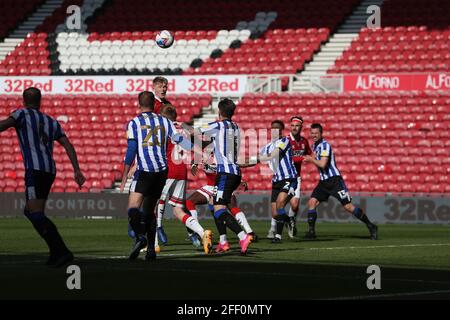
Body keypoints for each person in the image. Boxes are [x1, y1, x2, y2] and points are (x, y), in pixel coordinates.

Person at [0, 87, 85, 267]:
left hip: (34, 169)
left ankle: (61, 251)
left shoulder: (21, 114)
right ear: (40, 101)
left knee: (35, 213)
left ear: (23, 100)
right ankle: (56, 252)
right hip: (49, 170)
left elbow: (4, 125)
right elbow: (67, 144)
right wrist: (76, 170)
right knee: (31, 211)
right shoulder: (51, 121)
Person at [119, 91, 196, 261]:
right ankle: (151, 251)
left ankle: (140, 237)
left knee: (132, 208)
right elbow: (179, 140)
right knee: (149, 211)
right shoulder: (164, 121)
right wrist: (197, 148)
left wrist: (124, 175)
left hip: (144, 171)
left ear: (139, 104)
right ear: (155, 105)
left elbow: (131, 150)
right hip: (161, 172)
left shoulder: (134, 123)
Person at [196, 98, 253, 254]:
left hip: (225, 173)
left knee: (219, 209)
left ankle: (242, 236)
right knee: (214, 203)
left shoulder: (217, 125)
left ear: (219, 112)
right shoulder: (236, 127)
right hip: (235, 173)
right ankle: (223, 241)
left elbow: (195, 131)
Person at [303, 123, 378, 240]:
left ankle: (371, 225)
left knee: (348, 207)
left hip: (334, 181)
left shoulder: (325, 146)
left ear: (321, 134)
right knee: (312, 202)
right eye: (312, 133)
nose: (314, 135)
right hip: (323, 182)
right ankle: (311, 232)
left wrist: (310, 159)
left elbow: (322, 164)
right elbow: (312, 157)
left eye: (316, 133)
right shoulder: (314, 146)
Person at [155, 104, 212, 254]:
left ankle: (153, 243)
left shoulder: (163, 128)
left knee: (153, 205)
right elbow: (203, 141)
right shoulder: (183, 129)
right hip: (181, 170)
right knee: (177, 210)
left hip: (167, 169)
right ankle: (201, 232)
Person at [267, 116, 311, 239]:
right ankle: (276, 227)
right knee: (278, 207)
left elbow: (309, 152)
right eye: (292, 125)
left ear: (301, 127)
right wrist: (301, 158)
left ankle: (287, 223)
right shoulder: (285, 140)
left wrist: (312, 157)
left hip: (295, 177)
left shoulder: (303, 141)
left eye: (297, 125)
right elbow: (286, 158)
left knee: (294, 205)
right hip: (283, 176)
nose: (294, 128)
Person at [258, 120, 298, 243]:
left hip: (288, 178)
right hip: (276, 181)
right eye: (273, 128)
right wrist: (241, 164)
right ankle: (288, 220)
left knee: (280, 204)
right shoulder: (267, 146)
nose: (274, 131)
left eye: (277, 128)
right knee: (276, 214)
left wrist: (259, 158)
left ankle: (278, 236)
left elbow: (275, 154)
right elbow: (259, 158)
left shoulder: (284, 141)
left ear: (281, 130)